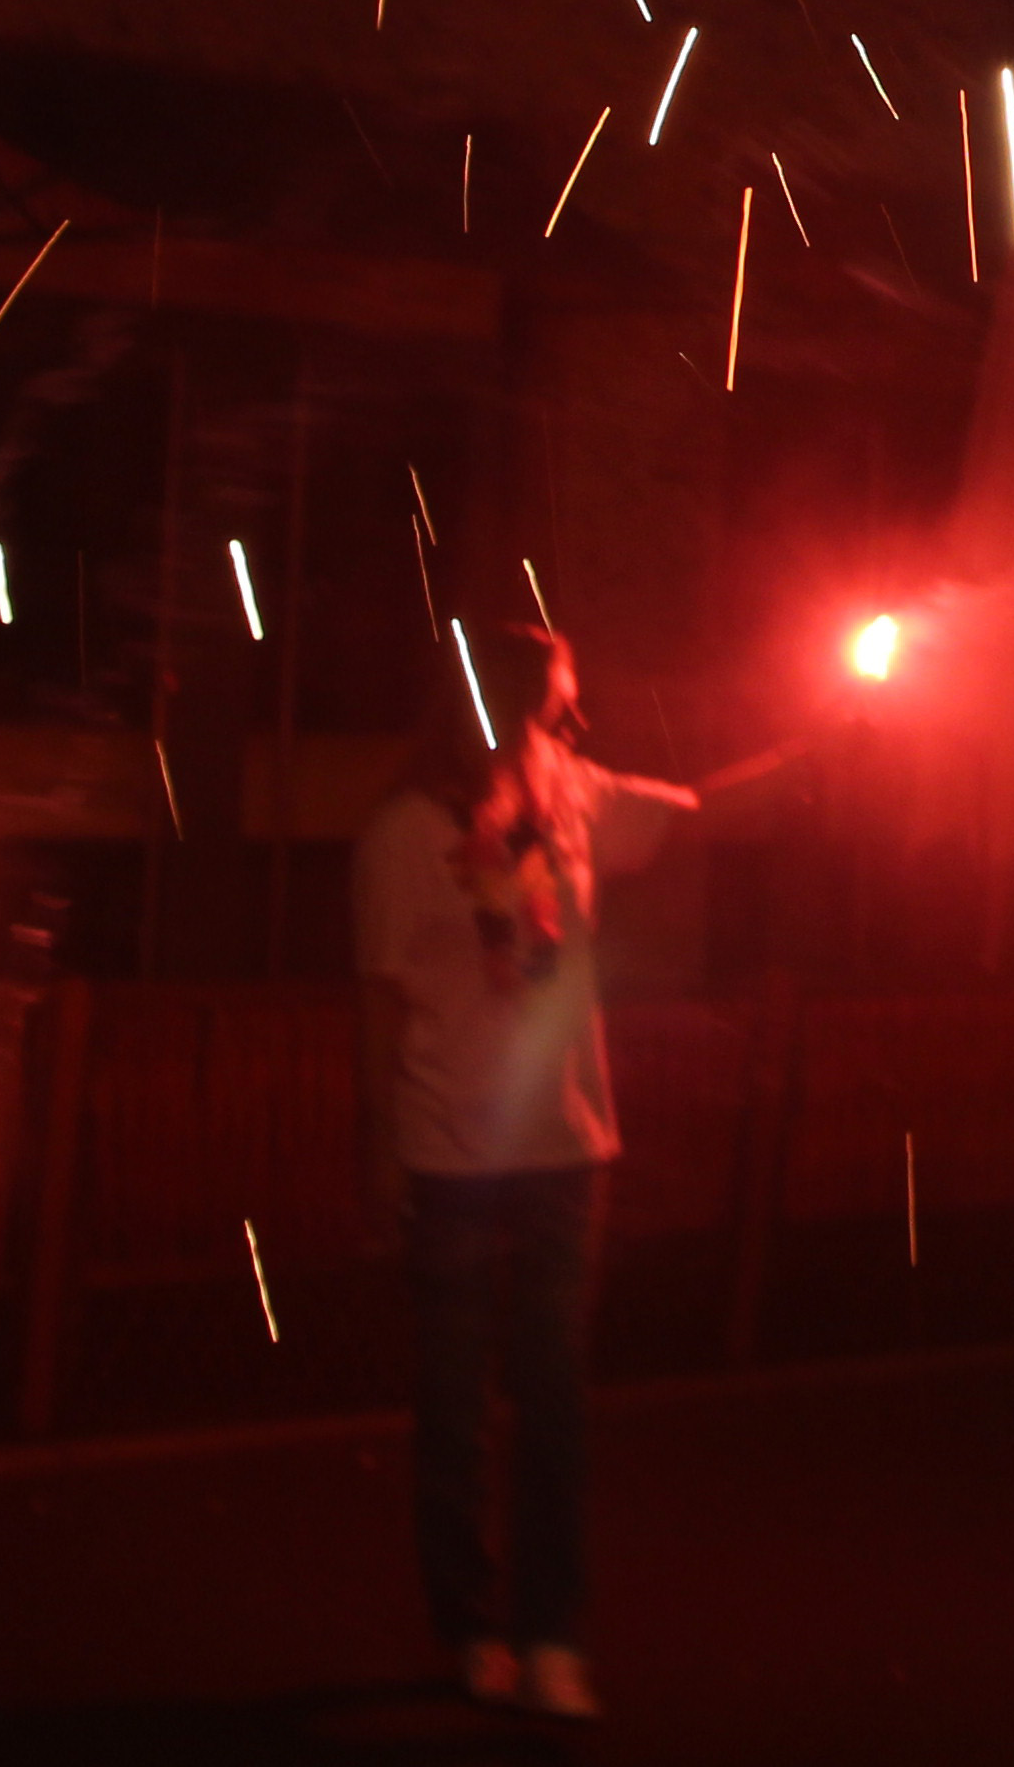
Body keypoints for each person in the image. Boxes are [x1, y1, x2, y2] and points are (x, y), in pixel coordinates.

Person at [354, 617, 700, 1724]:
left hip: (562, 1146)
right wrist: (374, 1145)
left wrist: (831, 742)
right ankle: (469, 1625)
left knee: (553, 1397)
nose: (573, 718)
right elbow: (380, 1004)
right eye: (558, 701)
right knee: (455, 1405)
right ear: (501, 707)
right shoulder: (405, 837)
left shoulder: (577, 800)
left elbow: (700, 807)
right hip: (450, 1146)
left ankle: (554, 1633)